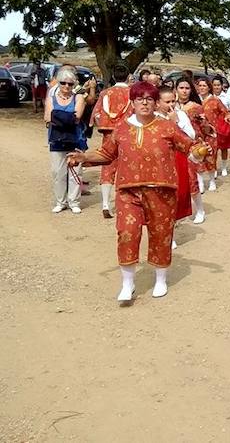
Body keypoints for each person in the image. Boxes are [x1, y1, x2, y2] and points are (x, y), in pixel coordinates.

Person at [66, 82, 206, 302]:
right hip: (128, 191)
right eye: (140, 99)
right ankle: (128, 283)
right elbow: (106, 153)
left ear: (155, 102)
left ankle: (160, 279)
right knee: (127, 232)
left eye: (149, 99)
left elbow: (189, 146)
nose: (144, 103)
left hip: (161, 190)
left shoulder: (166, 127)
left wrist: (200, 150)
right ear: (132, 102)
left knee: (161, 235)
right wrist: (83, 157)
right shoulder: (122, 127)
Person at [156, 86, 198, 243]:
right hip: (158, 161)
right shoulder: (151, 117)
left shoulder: (180, 115)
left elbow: (191, 135)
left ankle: (170, 230)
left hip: (177, 158)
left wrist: (176, 123)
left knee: (177, 194)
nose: (171, 105)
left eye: (173, 100)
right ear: (158, 102)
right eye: (167, 102)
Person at [90, 64, 132, 218]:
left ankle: (106, 204)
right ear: (128, 77)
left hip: (109, 135)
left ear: (113, 76)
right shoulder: (131, 93)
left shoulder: (105, 93)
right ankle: (124, 202)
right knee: (127, 167)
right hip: (127, 135)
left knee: (107, 167)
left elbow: (97, 113)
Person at [45, 67, 86, 214]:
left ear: (74, 84)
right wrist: (66, 117)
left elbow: (77, 117)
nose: (66, 86)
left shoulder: (78, 97)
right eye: (63, 83)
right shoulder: (51, 98)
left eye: (70, 84)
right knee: (58, 172)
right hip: (56, 140)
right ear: (58, 83)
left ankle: (74, 201)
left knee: (75, 171)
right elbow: (47, 118)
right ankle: (60, 202)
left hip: (75, 139)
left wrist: (57, 116)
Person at [174, 77, 207, 223]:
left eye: (187, 88)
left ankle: (200, 209)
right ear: (176, 89)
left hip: (190, 148)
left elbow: (205, 127)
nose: (184, 91)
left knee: (191, 180)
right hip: (172, 148)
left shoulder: (196, 106)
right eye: (181, 88)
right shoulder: (170, 107)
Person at [197, 77, 228, 191]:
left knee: (210, 157)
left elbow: (225, 111)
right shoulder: (195, 101)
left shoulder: (215, 100)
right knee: (198, 157)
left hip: (211, 133)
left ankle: (211, 181)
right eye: (200, 86)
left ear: (209, 87)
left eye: (204, 86)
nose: (202, 88)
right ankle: (200, 183)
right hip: (197, 134)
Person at [211, 76, 230, 175]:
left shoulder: (227, 97)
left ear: (222, 86)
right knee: (214, 148)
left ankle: (224, 167)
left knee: (224, 147)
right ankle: (214, 169)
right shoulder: (209, 97)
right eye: (215, 85)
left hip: (224, 125)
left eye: (218, 85)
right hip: (212, 125)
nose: (216, 87)